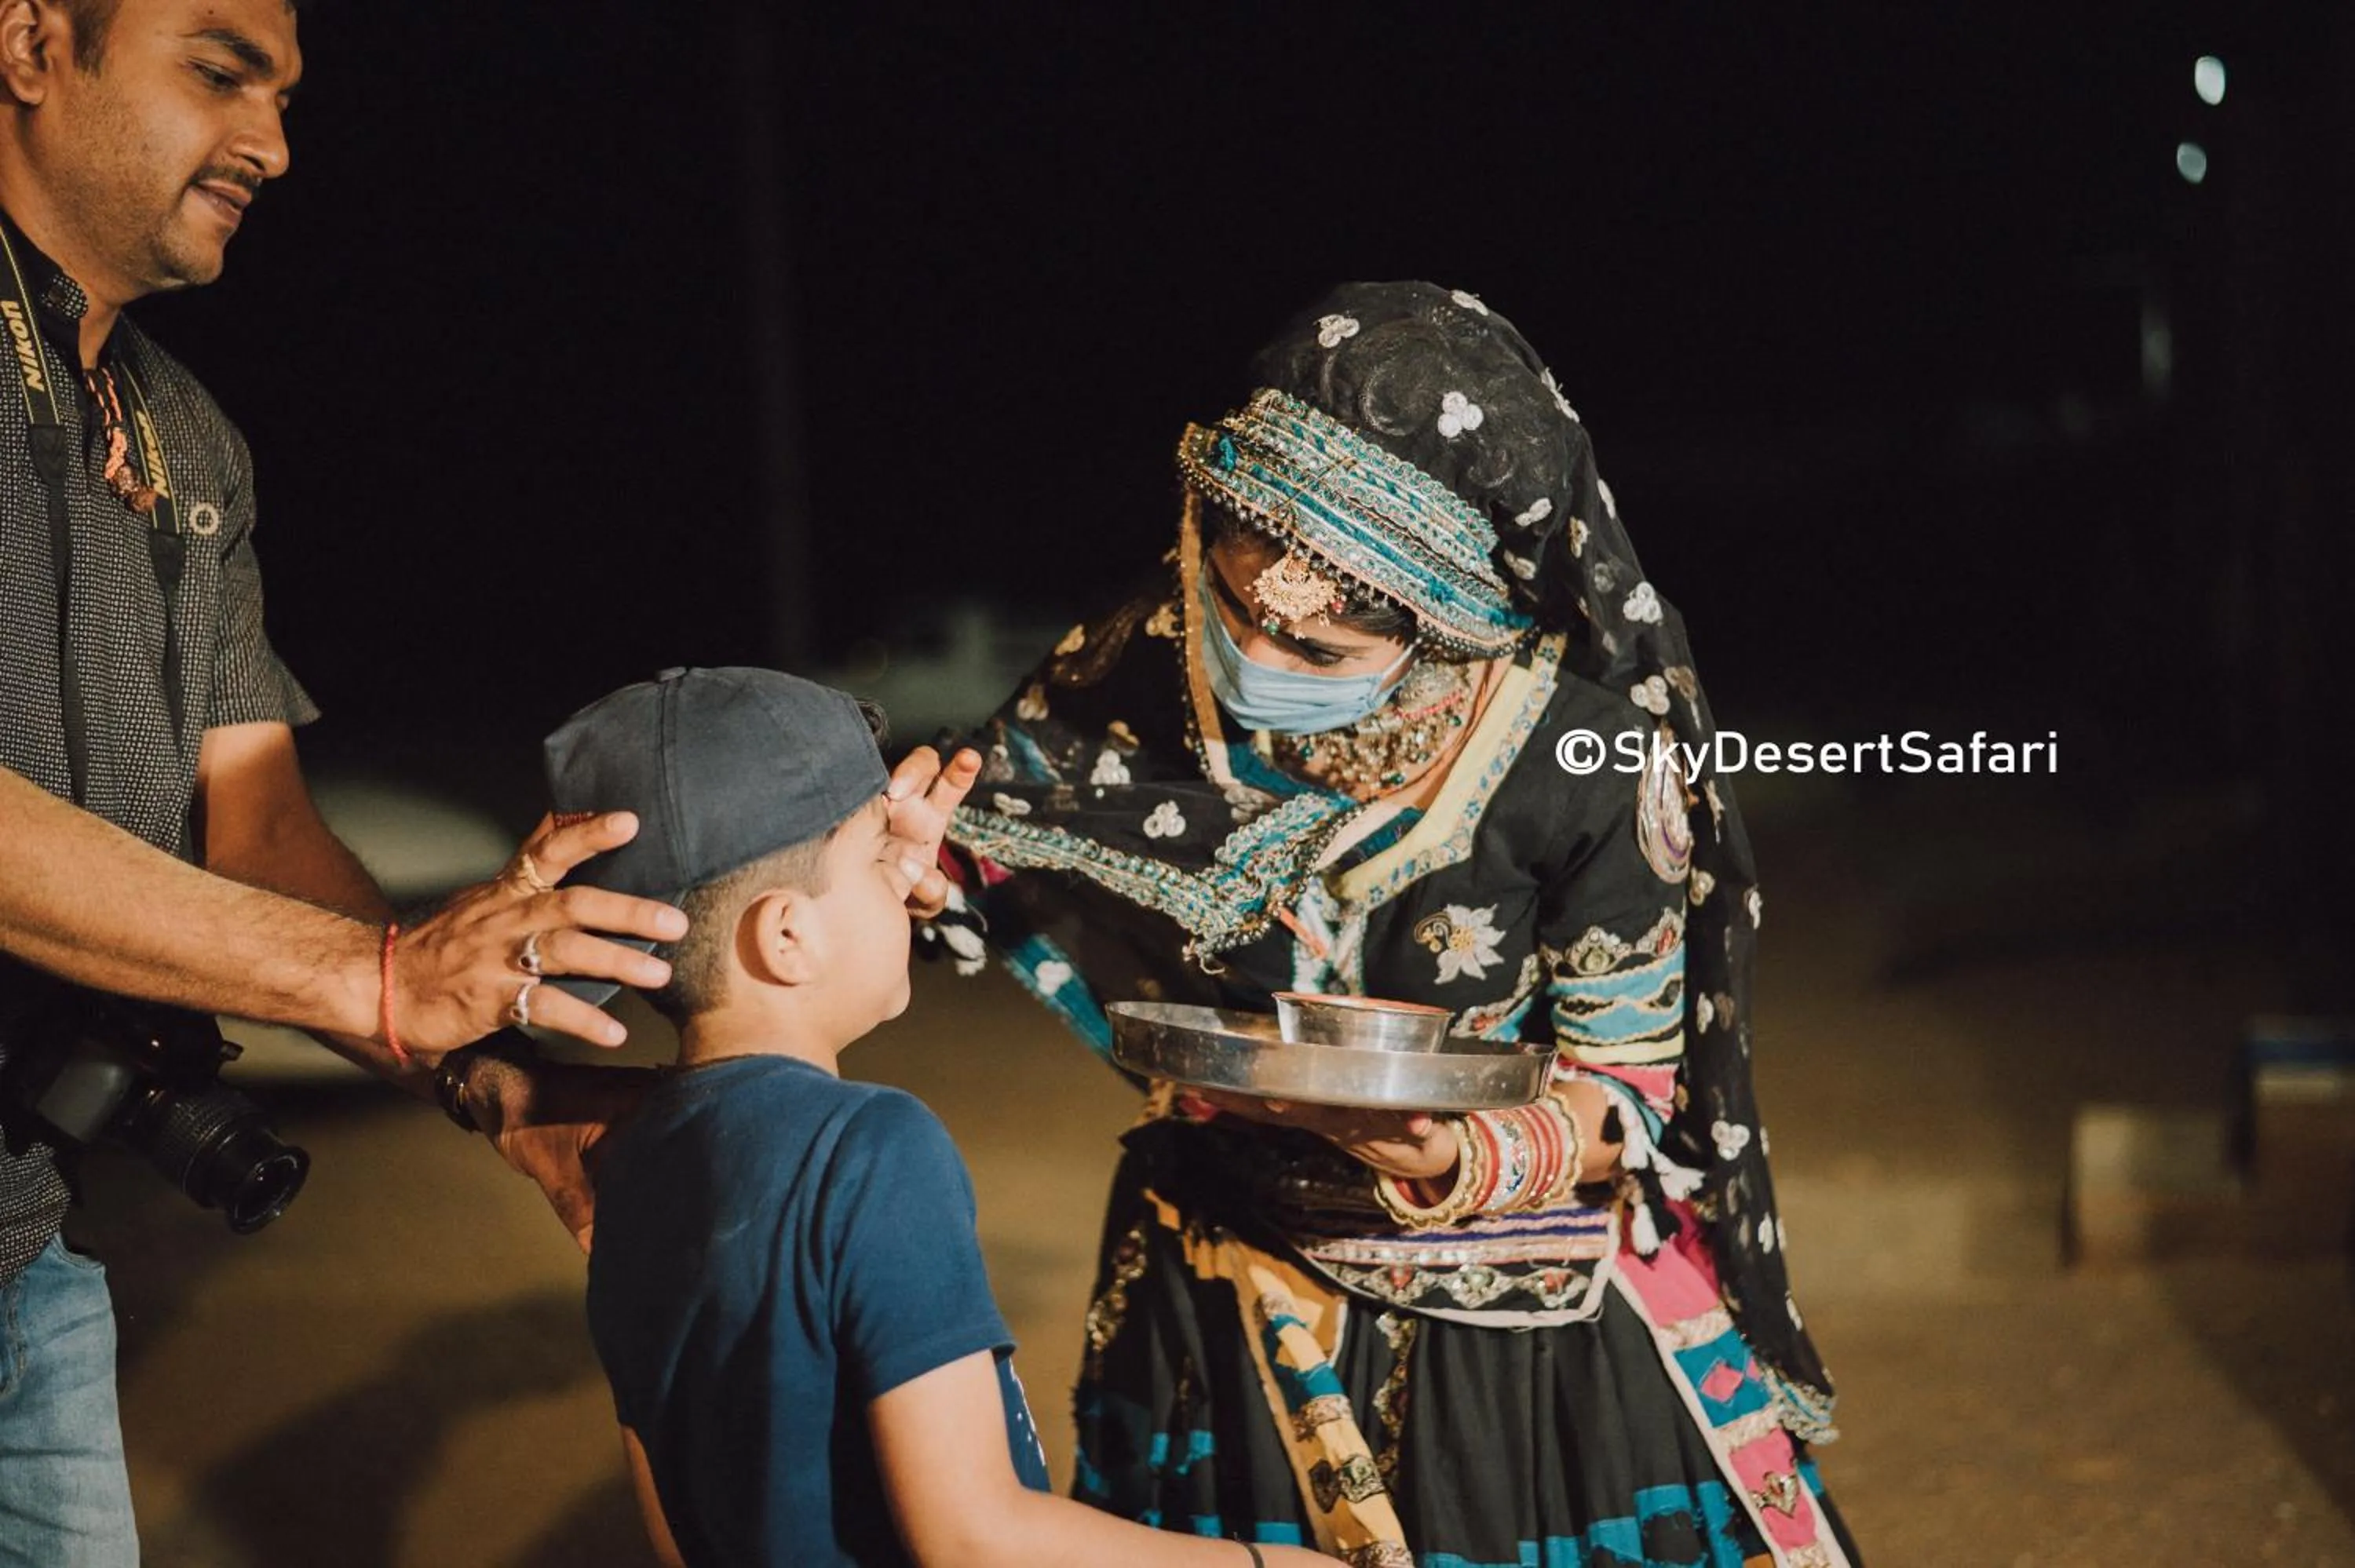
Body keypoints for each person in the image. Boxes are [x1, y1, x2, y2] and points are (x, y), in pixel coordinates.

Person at [0, 2, 881, 1559]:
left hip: (22, 1253)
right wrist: (380, 974)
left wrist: (513, 1097)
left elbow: (256, 830)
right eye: (217, 74)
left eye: (284, 94)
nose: (270, 144)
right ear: (29, 45)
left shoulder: (184, 442)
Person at [933, 282, 1862, 1566]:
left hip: (1516, 1351)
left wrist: (1455, 1159)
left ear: (1446, 628)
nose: (1258, 650)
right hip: (1220, 1286)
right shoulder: (1150, 658)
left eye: (1316, 652)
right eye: (1237, 604)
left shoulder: (1585, 756)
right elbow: (962, 842)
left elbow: (1627, 1090)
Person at [562, 666, 1326, 1568]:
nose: (915, 883)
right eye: (880, 861)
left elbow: (667, 1520)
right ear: (787, 936)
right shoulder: (870, 1150)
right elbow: (974, 1538)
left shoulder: (627, 1158)